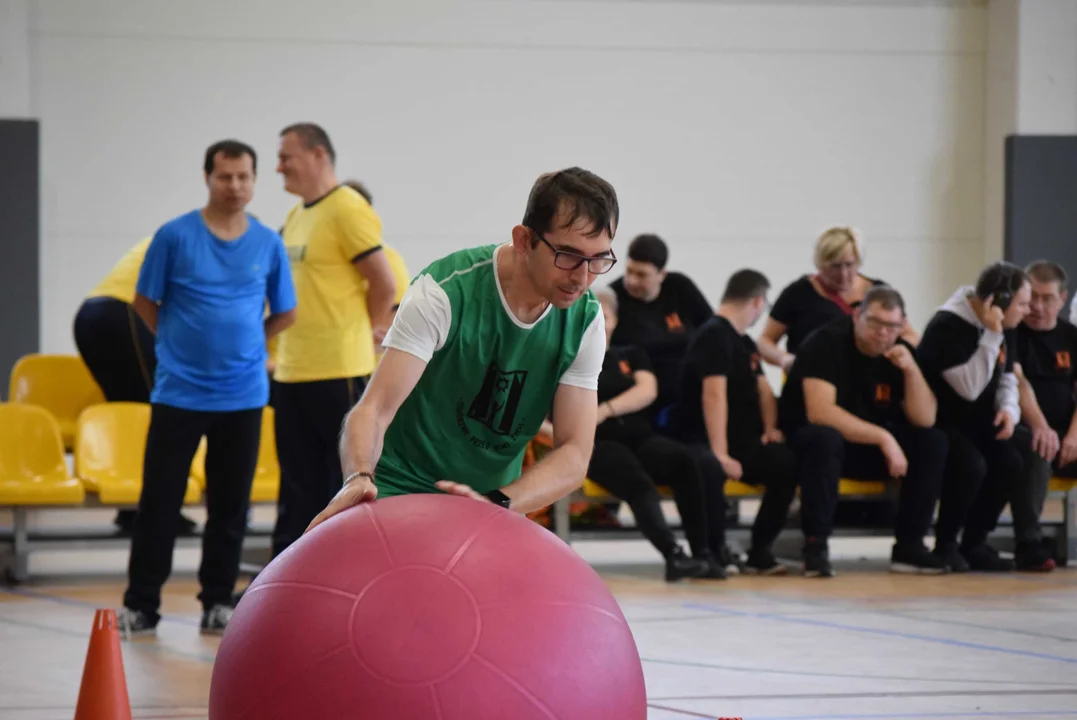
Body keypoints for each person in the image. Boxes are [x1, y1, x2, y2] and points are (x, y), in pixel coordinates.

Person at [307, 167, 616, 533]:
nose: (582, 277)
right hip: (397, 490)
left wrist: (497, 503)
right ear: (523, 240)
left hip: (492, 502)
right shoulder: (444, 293)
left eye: (598, 259)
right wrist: (358, 476)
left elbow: (575, 453)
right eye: (567, 255)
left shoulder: (584, 320)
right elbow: (373, 409)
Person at [117, 140, 296, 638]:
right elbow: (143, 301)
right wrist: (178, 345)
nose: (235, 186)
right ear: (207, 178)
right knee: (159, 502)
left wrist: (249, 344)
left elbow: (286, 311)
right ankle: (142, 605)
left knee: (230, 506)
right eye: (225, 177)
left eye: (243, 177)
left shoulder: (268, 243)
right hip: (179, 394)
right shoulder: (174, 236)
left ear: (254, 181)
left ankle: (217, 601)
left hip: (243, 397)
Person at [271, 124, 397, 558]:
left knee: (338, 488)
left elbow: (383, 284)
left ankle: (339, 577)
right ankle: (284, 583)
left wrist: (366, 335)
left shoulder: (347, 207)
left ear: (318, 155)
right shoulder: (295, 216)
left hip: (339, 370)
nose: (278, 166)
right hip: (291, 370)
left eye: (286, 156)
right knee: (294, 489)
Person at [779, 286, 949, 577]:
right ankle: (815, 546)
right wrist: (884, 438)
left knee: (931, 441)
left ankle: (910, 547)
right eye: (875, 323)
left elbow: (925, 418)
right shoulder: (825, 343)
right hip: (815, 444)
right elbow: (821, 412)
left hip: (866, 447)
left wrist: (911, 371)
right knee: (824, 439)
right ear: (857, 315)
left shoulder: (900, 353)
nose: (883, 333)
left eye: (892, 326)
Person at [570, 287, 710, 581]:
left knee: (683, 461)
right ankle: (674, 555)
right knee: (639, 483)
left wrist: (605, 409)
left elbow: (647, 390)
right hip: (599, 443)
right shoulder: (569, 359)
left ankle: (704, 553)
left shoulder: (631, 354)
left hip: (639, 436)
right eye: (588, 314)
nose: (596, 320)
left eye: (603, 315)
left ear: (615, 321)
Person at [671, 269, 799, 577]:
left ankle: (760, 550)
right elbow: (713, 396)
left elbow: (764, 390)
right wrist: (721, 453)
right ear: (757, 301)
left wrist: (770, 428)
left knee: (786, 464)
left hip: (745, 441)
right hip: (704, 439)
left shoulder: (744, 342)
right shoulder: (713, 335)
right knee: (711, 468)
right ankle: (714, 551)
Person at [74, 238, 195, 537]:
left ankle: (132, 508)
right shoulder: (210, 242)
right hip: (123, 312)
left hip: (93, 314)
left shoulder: (187, 233)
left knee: (132, 412)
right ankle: (157, 509)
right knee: (161, 413)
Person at [916, 261, 1031, 572]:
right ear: (1000, 301)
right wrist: (992, 336)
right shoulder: (947, 326)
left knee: (1011, 462)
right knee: (970, 465)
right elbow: (968, 387)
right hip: (941, 421)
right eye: (1021, 303)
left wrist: (1009, 410)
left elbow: (1008, 376)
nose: (1027, 310)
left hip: (977, 419)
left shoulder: (1007, 327)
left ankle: (975, 542)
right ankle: (947, 543)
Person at [758, 226, 918, 373]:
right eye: (835, 266)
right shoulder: (798, 293)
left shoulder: (879, 292)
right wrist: (784, 359)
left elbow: (911, 336)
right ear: (819, 264)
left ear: (859, 261)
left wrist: (895, 352)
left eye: (849, 265)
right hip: (814, 376)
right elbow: (765, 340)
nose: (843, 274)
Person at [1012, 260, 1077, 571]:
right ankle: (1029, 545)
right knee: (1037, 448)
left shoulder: (1071, 337)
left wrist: (1074, 436)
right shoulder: (1012, 333)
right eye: (1032, 297)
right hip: (1024, 429)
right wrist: (1042, 427)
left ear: (1062, 299)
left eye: (1047, 298)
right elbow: (1019, 383)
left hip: (1067, 433)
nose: (1037, 306)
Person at [608, 234, 713, 421]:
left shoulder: (680, 287)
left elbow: (712, 332)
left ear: (661, 275)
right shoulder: (613, 297)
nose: (631, 281)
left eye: (641, 275)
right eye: (629, 271)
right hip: (641, 394)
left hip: (689, 391)